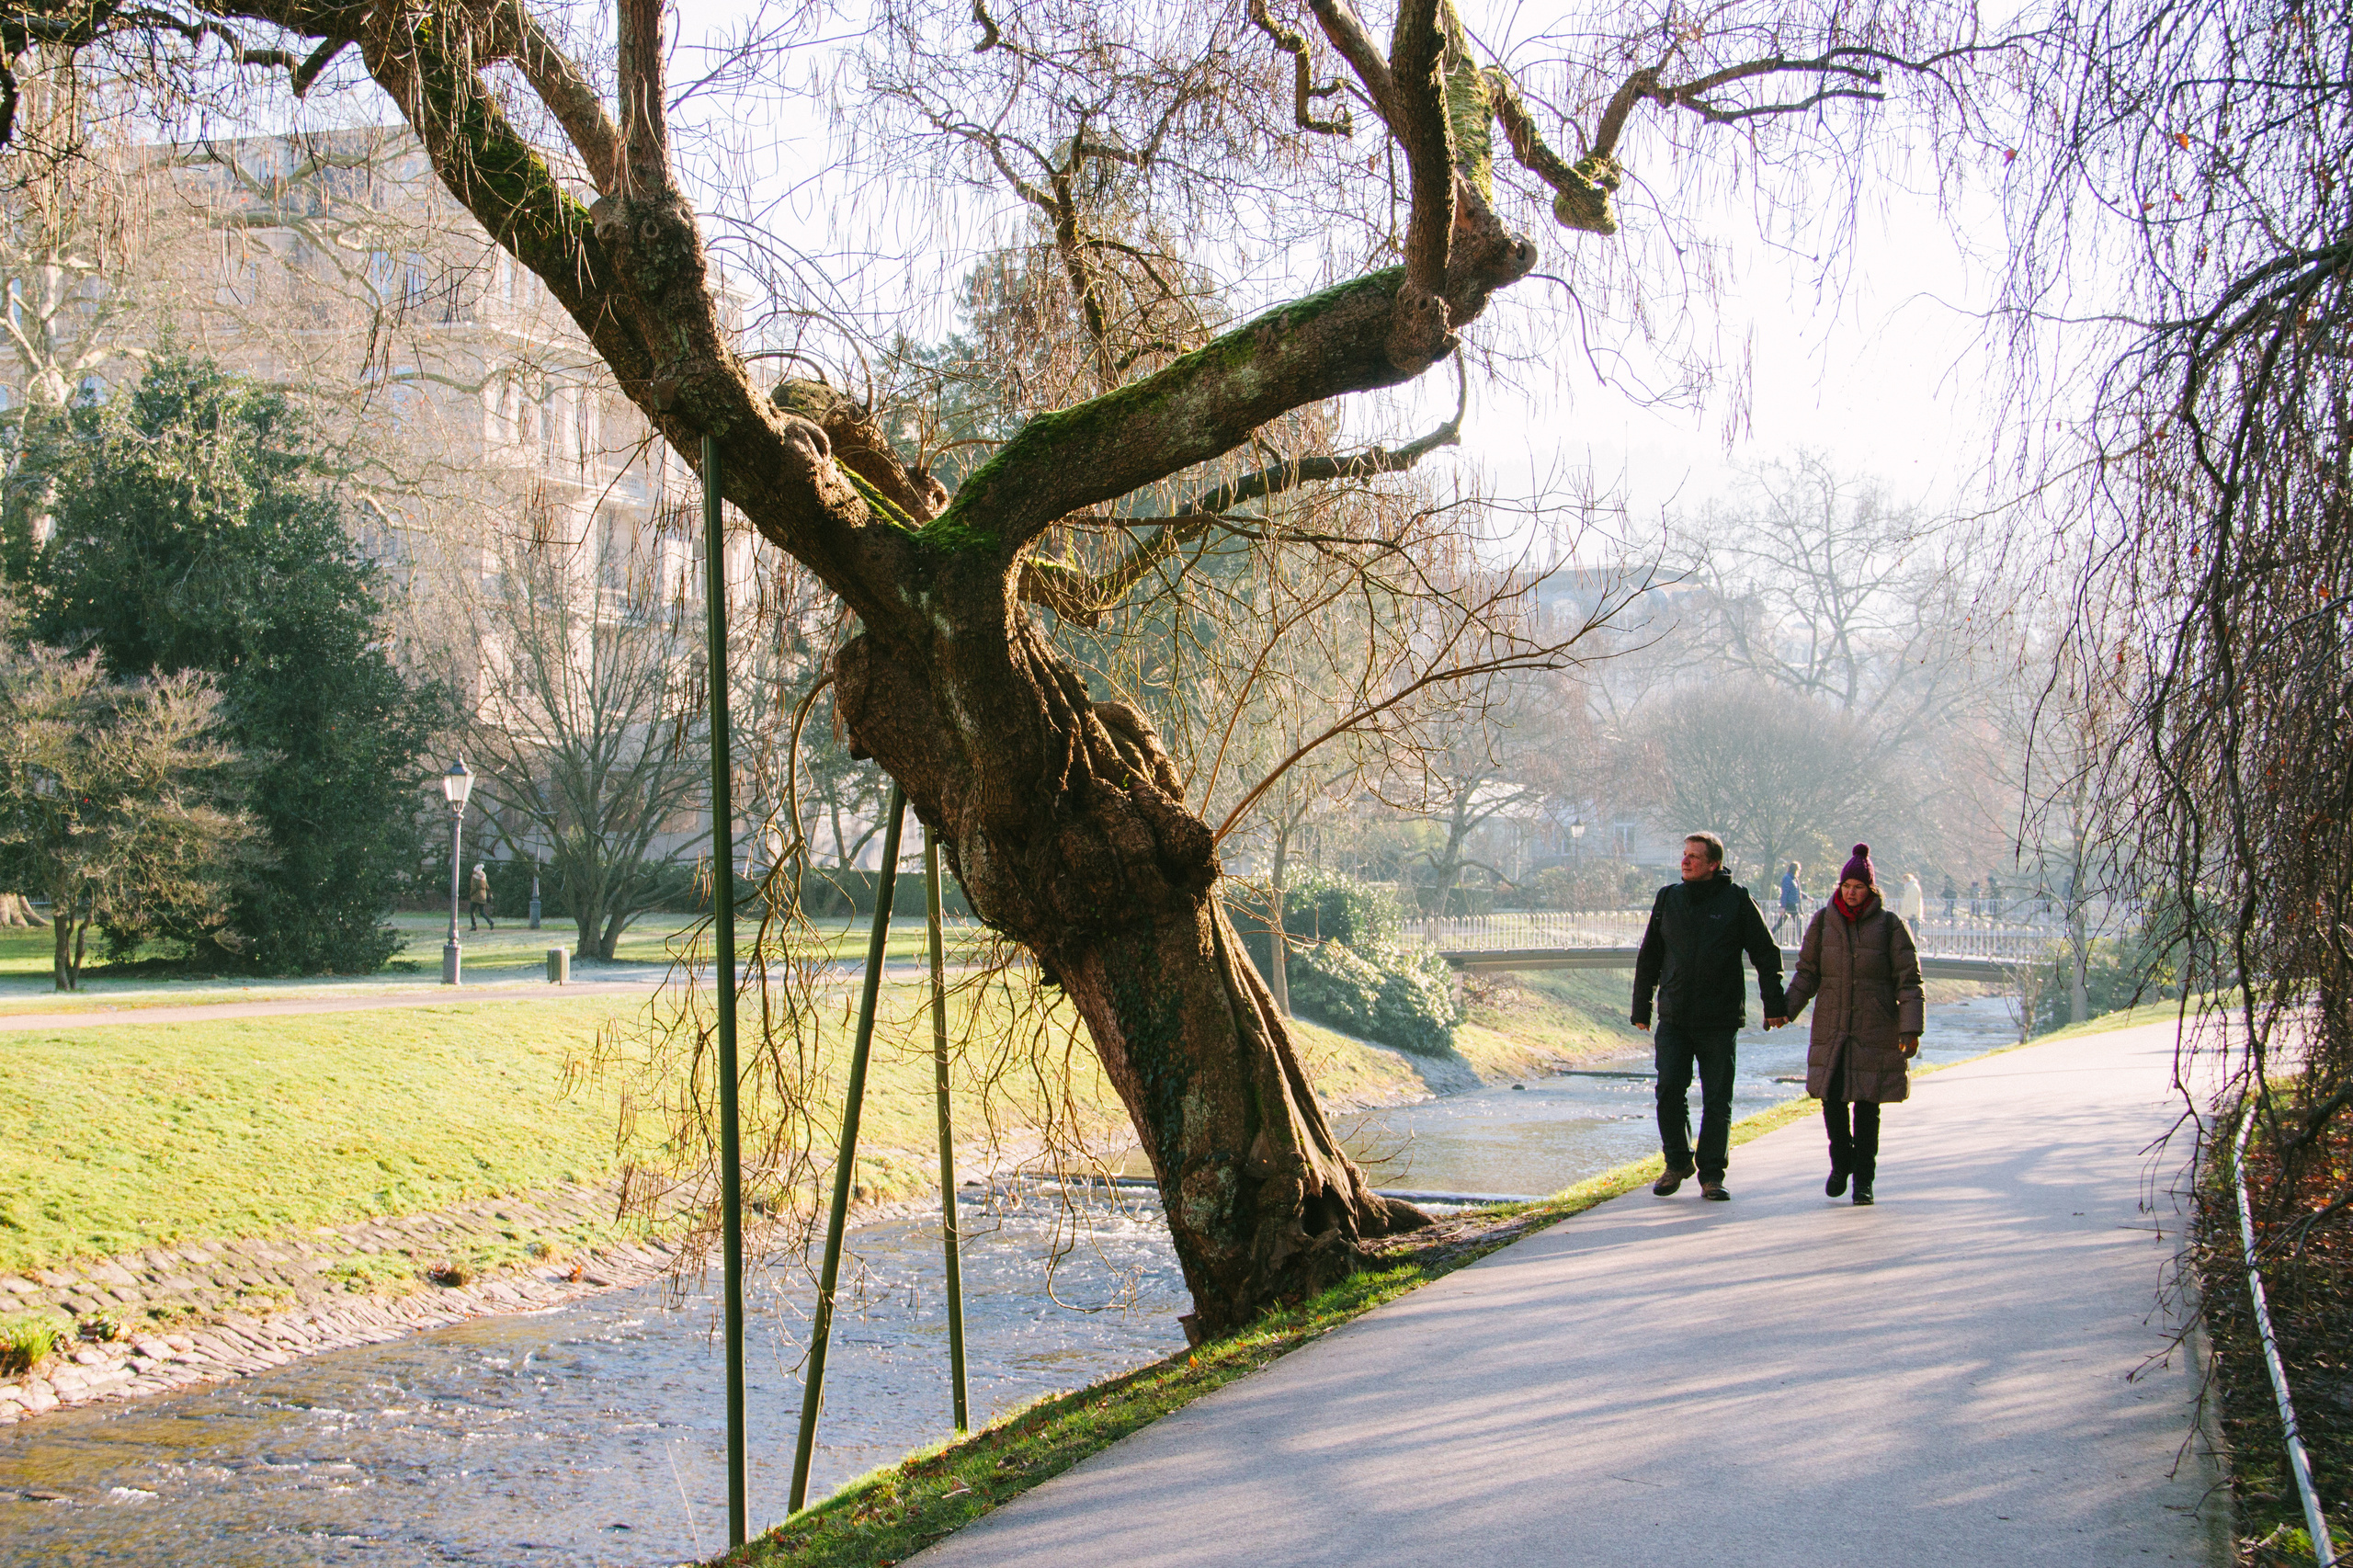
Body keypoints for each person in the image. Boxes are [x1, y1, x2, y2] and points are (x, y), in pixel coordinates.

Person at [1631, 833, 1788, 1202]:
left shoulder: (1736, 900)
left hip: (1719, 1018)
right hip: (1674, 1015)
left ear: (1714, 863)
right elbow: (1649, 955)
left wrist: (1774, 1004)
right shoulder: (1668, 898)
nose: (1685, 862)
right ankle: (1677, 1162)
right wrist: (1642, 1006)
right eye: (1684, 856)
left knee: (1717, 1098)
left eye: (1694, 857)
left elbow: (1766, 954)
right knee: (1669, 1088)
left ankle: (1712, 1175)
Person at [1782, 844, 1923, 1206]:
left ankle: (1864, 1181)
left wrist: (1910, 1030)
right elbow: (1807, 974)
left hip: (1875, 1028)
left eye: (1858, 886)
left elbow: (1909, 981)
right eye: (1847, 885)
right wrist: (1784, 1010)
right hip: (1832, 1025)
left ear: (1871, 890)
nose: (1851, 891)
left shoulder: (1891, 925)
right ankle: (1840, 1161)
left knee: (1866, 1107)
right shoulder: (1823, 921)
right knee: (1830, 1098)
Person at [1778, 860, 1803, 940]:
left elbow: (1797, 891)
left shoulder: (1793, 879)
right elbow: (1784, 893)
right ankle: (1802, 941)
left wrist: (1807, 897)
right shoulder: (1787, 878)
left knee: (1780, 923)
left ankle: (1768, 936)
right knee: (1798, 922)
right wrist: (1783, 907)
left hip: (1791, 904)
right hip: (1789, 904)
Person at [467, 862, 496, 931]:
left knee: (471, 911)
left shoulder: (474, 877)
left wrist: (471, 894)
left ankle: (474, 925)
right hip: (483, 896)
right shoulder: (484, 877)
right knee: (482, 912)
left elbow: (473, 888)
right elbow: (487, 887)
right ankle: (490, 922)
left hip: (476, 897)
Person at [1896, 870, 1926, 934]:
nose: (1903, 882)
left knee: (1911, 933)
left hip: (1912, 915)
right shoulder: (1911, 887)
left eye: (1904, 880)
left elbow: (1914, 901)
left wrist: (1913, 913)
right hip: (1910, 914)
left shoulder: (1912, 888)